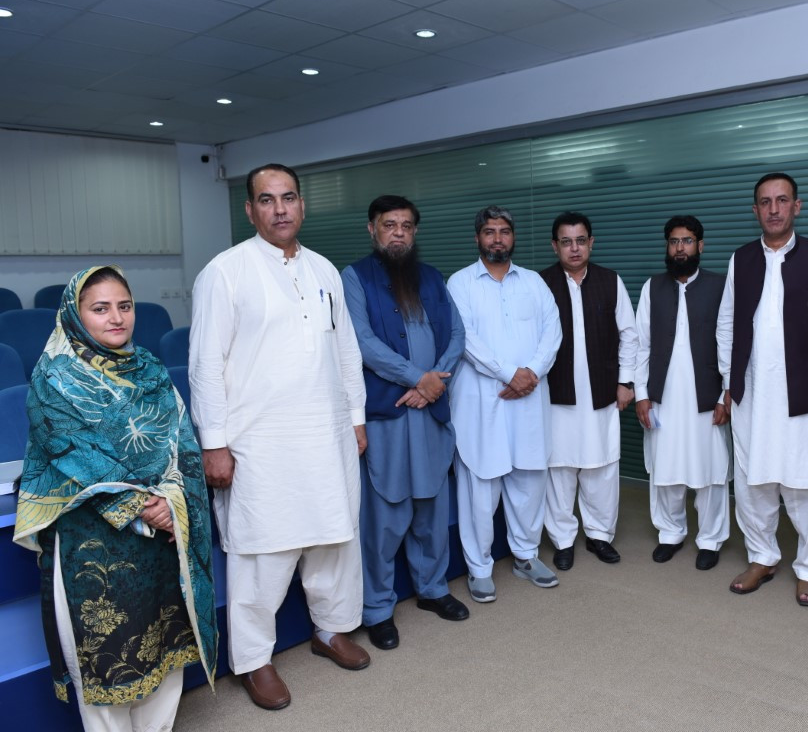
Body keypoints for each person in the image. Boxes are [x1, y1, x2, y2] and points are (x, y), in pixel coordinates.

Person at [189, 163, 370, 711]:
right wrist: (214, 443)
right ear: (250, 210)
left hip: (327, 433)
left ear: (302, 204)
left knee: (334, 539)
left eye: (288, 197)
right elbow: (205, 365)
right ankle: (254, 660)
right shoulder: (225, 272)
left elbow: (346, 350)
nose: (280, 208)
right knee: (262, 554)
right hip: (260, 442)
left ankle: (332, 629)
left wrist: (356, 417)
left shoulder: (324, 269)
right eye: (266, 200)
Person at [15, 265, 217, 731]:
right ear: (75, 313)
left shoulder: (148, 367)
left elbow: (181, 442)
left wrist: (172, 501)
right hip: (92, 541)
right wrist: (146, 509)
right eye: (100, 308)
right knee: (103, 659)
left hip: (161, 533)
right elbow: (73, 454)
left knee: (164, 644)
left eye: (124, 306)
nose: (116, 318)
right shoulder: (54, 377)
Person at [717, 172, 808, 607]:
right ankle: (762, 557)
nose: (774, 209)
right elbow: (726, 325)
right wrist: (728, 381)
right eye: (765, 202)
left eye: (782, 200)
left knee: (807, 482)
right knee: (753, 480)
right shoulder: (741, 259)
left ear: (797, 206)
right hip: (752, 393)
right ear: (755, 210)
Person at [341, 195, 469, 652]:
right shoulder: (354, 277)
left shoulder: (431, 276)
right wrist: (418, 378)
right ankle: (377, 608)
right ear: (372, 229)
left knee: (432, 506)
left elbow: (457, 334)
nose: (399, 233)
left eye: (407, 226)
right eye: (389, 224)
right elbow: (362, 342)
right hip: (389, 412)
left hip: (429, 410)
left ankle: (433, 589)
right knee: (385, 515)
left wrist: (432, 384)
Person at [447, 205, 563, 603]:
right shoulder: (460, 283)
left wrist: (531, 372)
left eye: (504, 231)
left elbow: (552, 332)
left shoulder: (533, 282)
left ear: (513, 237)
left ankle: (526, 556)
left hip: (529, 398)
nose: (497, 239)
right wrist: (510, 373)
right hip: (482, 400)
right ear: (477, 238)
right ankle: (479, 568)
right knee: (480, 488)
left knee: (529, 481)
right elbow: (465, 338)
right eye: (490, 232)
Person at [540, 211, 638, 569]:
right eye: (566, 242)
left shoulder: (610, 281)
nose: (574, 248)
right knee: (559, 469)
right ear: (555, 246)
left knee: (601, 467)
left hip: (602, 391)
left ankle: (599, 535)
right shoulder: (540, 284)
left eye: (580, 241)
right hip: (555, 394)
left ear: (591, 243)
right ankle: (563, 540)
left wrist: (626, 381)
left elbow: (629, 335)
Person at [635, 215, 731, 570]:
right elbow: (640, 345)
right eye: (674, 241)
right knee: (666, 467)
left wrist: (726, 395)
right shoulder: (652, 287)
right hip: (663, 395)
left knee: (710, 470)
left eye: (687, 241)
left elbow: (731, 344)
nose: (680, 248)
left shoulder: (721, 286)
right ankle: (670, 533)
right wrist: (641, 394)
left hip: (707, 394)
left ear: (700, 245)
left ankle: (710, 539)